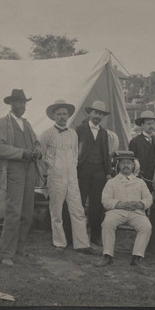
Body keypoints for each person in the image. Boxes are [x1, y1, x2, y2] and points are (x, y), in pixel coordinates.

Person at [0, 89, 42, 267]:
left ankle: (20, 248)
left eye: (25, 103)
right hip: (13, 172)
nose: (23, 106)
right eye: (20, 102)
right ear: (11, 104)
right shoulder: (2, 123)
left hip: (29, 172)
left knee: (27, 212)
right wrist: (21, 153)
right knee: (13, 213)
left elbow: (36, 142)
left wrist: (37, 150)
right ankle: (6, 253)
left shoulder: (27, 124)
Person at [40, 99, 96, 254]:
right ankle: (59, 242)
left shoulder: (73, 134)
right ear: (53, 116)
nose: (62, 117)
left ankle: (82, 243)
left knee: (77, 209)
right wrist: (49, 173)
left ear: (68, 116)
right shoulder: (46, 135)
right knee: (56, 211)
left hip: (71, 178)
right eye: (59, 114)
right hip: (55, 178)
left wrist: (71, 171)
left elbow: (75, 155)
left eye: (64, 114)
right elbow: (41, 157)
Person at [97, 151, 153, 267]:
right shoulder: (112, 182)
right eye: (123, 163)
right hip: (117, 212)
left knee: (146, 226)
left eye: (129, 163)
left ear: (133, 165)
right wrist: (119, 204)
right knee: (107, 223)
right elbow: (105, 200)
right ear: (119, 165)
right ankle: (107, 256)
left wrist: (140, 204)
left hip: (136, 212)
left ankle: (136, 257)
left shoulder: (140, 182)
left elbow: (149, 199)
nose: (126, 165)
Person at [76, 100, 112, 246]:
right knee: (79, 203)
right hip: (83, 170)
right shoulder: (79, 129)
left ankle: (95, 236)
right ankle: (77, 235)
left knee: (97, 205)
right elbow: (74, 151)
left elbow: (106, 154)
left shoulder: (104, 133)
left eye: (101, 114)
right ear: (90, 113)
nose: (97, 116)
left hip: (99, 172)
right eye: (95, 112)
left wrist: (108, 172)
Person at [128, 110, 155, 254]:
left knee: (153, 206)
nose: (151, 126)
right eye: (148, 124)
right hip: (141, 179)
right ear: (142, 125)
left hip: (154, 179)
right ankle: (139, 237)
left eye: (153, 123)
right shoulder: (135, 142)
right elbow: (131, 163)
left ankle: (152, 239)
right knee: (141, 207)